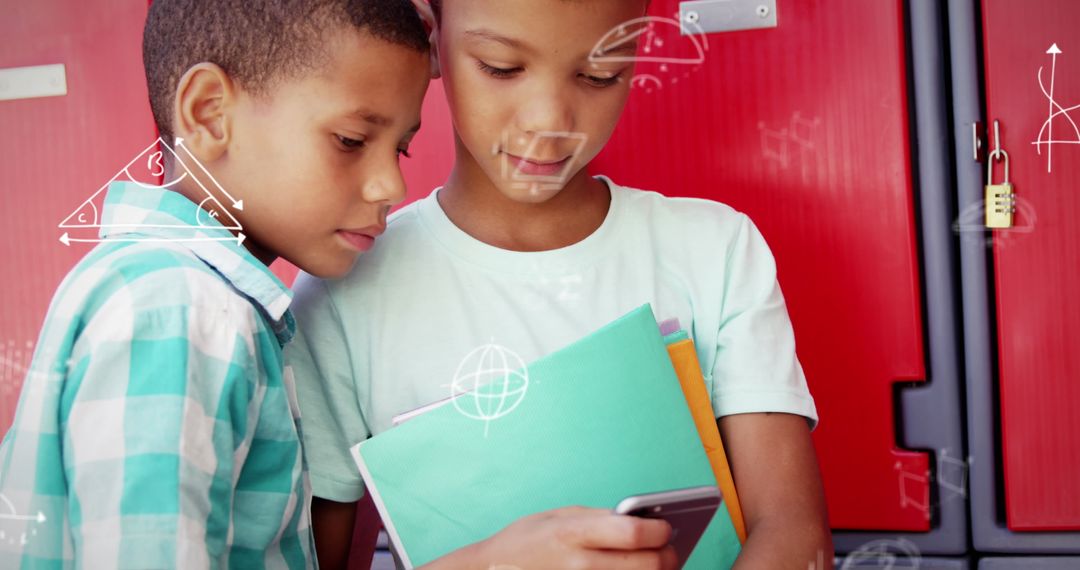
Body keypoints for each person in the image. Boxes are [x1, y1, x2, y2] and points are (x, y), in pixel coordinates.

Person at [288, 0, 833, 568]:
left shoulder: (715, 250)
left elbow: (793, 530)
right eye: (500, 67)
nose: (549, 120)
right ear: (433, 40)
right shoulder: (342, 292)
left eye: (600, 75)